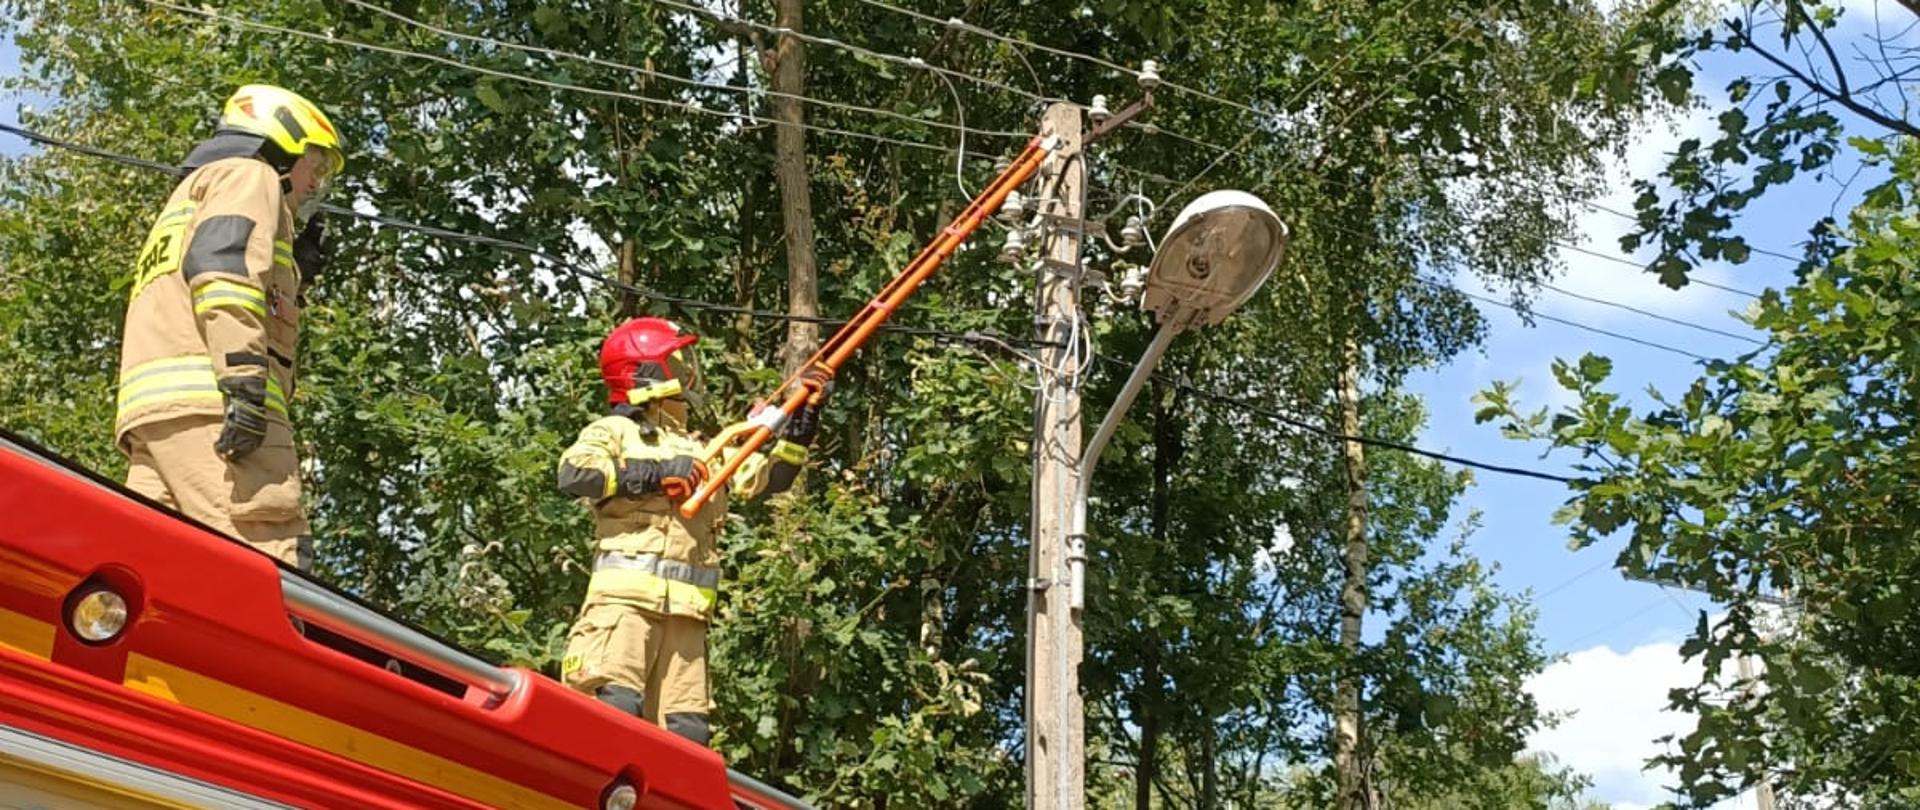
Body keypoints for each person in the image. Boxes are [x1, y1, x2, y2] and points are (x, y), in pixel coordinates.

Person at [557, 317, 823, 745]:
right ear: (646, 372)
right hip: (622, 612)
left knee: (686, 738)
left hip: (687, 622)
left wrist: (799, 430)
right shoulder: (618, 432)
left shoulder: (702, 448)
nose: (687, 371)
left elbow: (770, 480)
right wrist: (655, 474)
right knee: (611, 715)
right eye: (677, 361)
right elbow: (574, 474)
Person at [115, 84, 344, 569]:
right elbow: (225, 276)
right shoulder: (250, 175)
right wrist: (245, 386)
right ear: (280, 143)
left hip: (158, 419)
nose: (316, 184)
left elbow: (203, 285)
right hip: (217, 408)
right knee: (265, 555)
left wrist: (294, 277)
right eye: (316, 164)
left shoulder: (189, 196)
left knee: (158, 569)